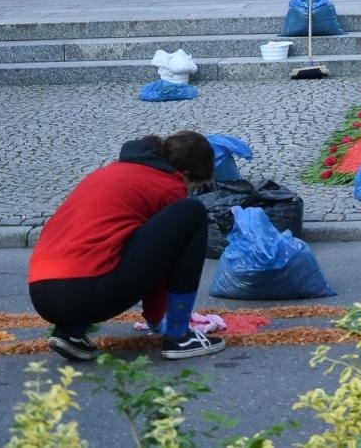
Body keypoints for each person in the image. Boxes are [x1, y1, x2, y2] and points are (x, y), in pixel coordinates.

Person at [28, 131, 225, 362]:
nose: (187, 191)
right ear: (185, 175)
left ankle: (71, 331)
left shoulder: (110, 172)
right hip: (85, 288)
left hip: (42, 292)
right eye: (192, 186)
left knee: (104, 252)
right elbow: (163, 261)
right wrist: (156, 321)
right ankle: (181, 337)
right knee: (192, 213)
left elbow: (132, 248)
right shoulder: (168, 186)